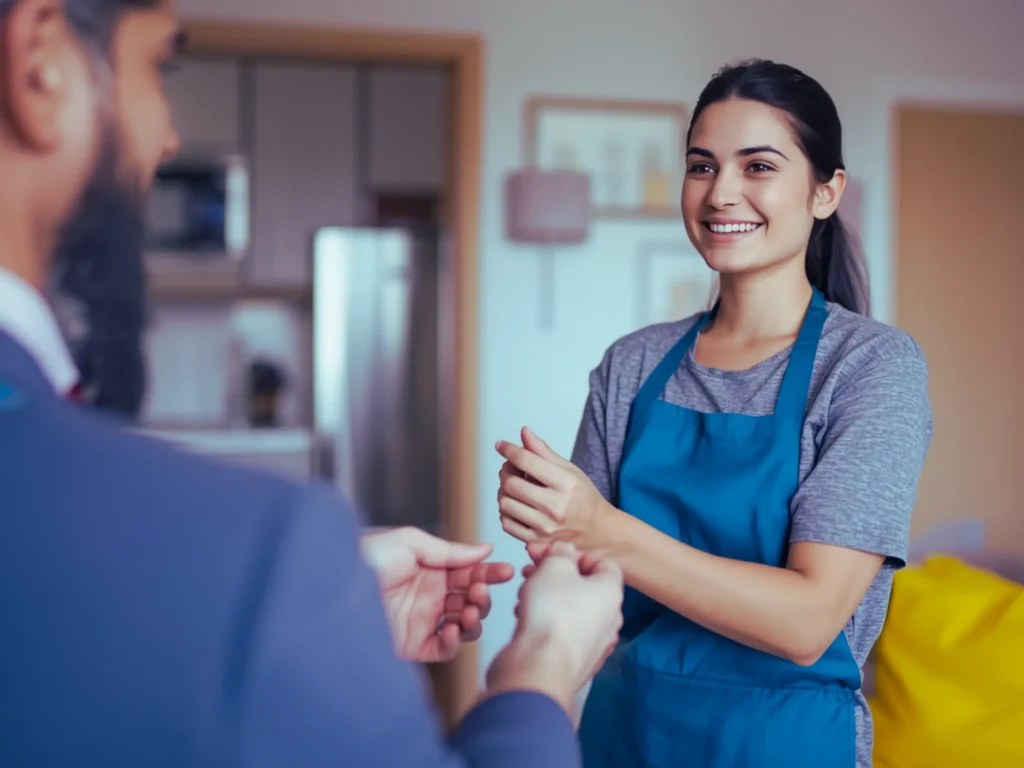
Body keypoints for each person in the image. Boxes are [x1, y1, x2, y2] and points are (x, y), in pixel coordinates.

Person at [0, 1, 624, 766]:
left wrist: (302, 609)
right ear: (40, 61)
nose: (168, 137)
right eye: (158, 67)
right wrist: (546, 662)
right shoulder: (266, 551)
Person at [495, 58, 933, 767]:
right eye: (702, 166)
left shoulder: (869, 367)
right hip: (623, 733)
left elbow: (808, 620)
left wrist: (598, 525)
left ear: (826, 192)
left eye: (758, 166)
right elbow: (581, 579)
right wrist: (549, 527)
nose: (721, 192)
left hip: (785, 744)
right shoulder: (633, 365)